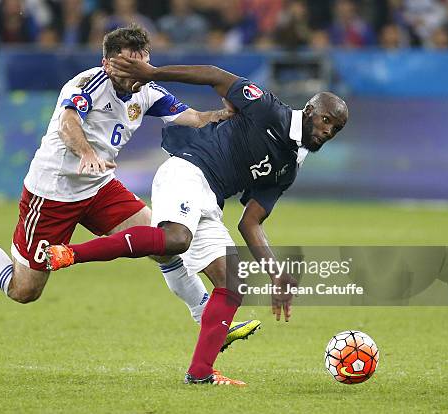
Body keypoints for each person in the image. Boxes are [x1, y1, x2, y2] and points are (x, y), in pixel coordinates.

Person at [0, 25, 260, 352]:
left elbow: (194, 117)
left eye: (142, 64)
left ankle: (208, 318)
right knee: (24, 290)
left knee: (163, 244)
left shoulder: (148, 90)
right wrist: (86, 153)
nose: (137, 73)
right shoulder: (87, 84)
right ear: (108, 63)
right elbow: (67, 123)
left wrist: (223, 114)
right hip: (53, 193)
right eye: (129, 65)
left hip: (99, 187)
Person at [44, 56, 348, 385]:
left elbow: (250, 223)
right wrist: (153, 73)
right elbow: (214, 75)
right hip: (187, 171)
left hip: (211, 200)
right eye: (326, 120)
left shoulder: (288, 167)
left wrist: (277, 274)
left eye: (336, 128)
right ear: (310, 111)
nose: (328, 131)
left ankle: (200, 373)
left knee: (233, 283)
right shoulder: (267, 108)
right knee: (176, 240)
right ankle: (71, 253)